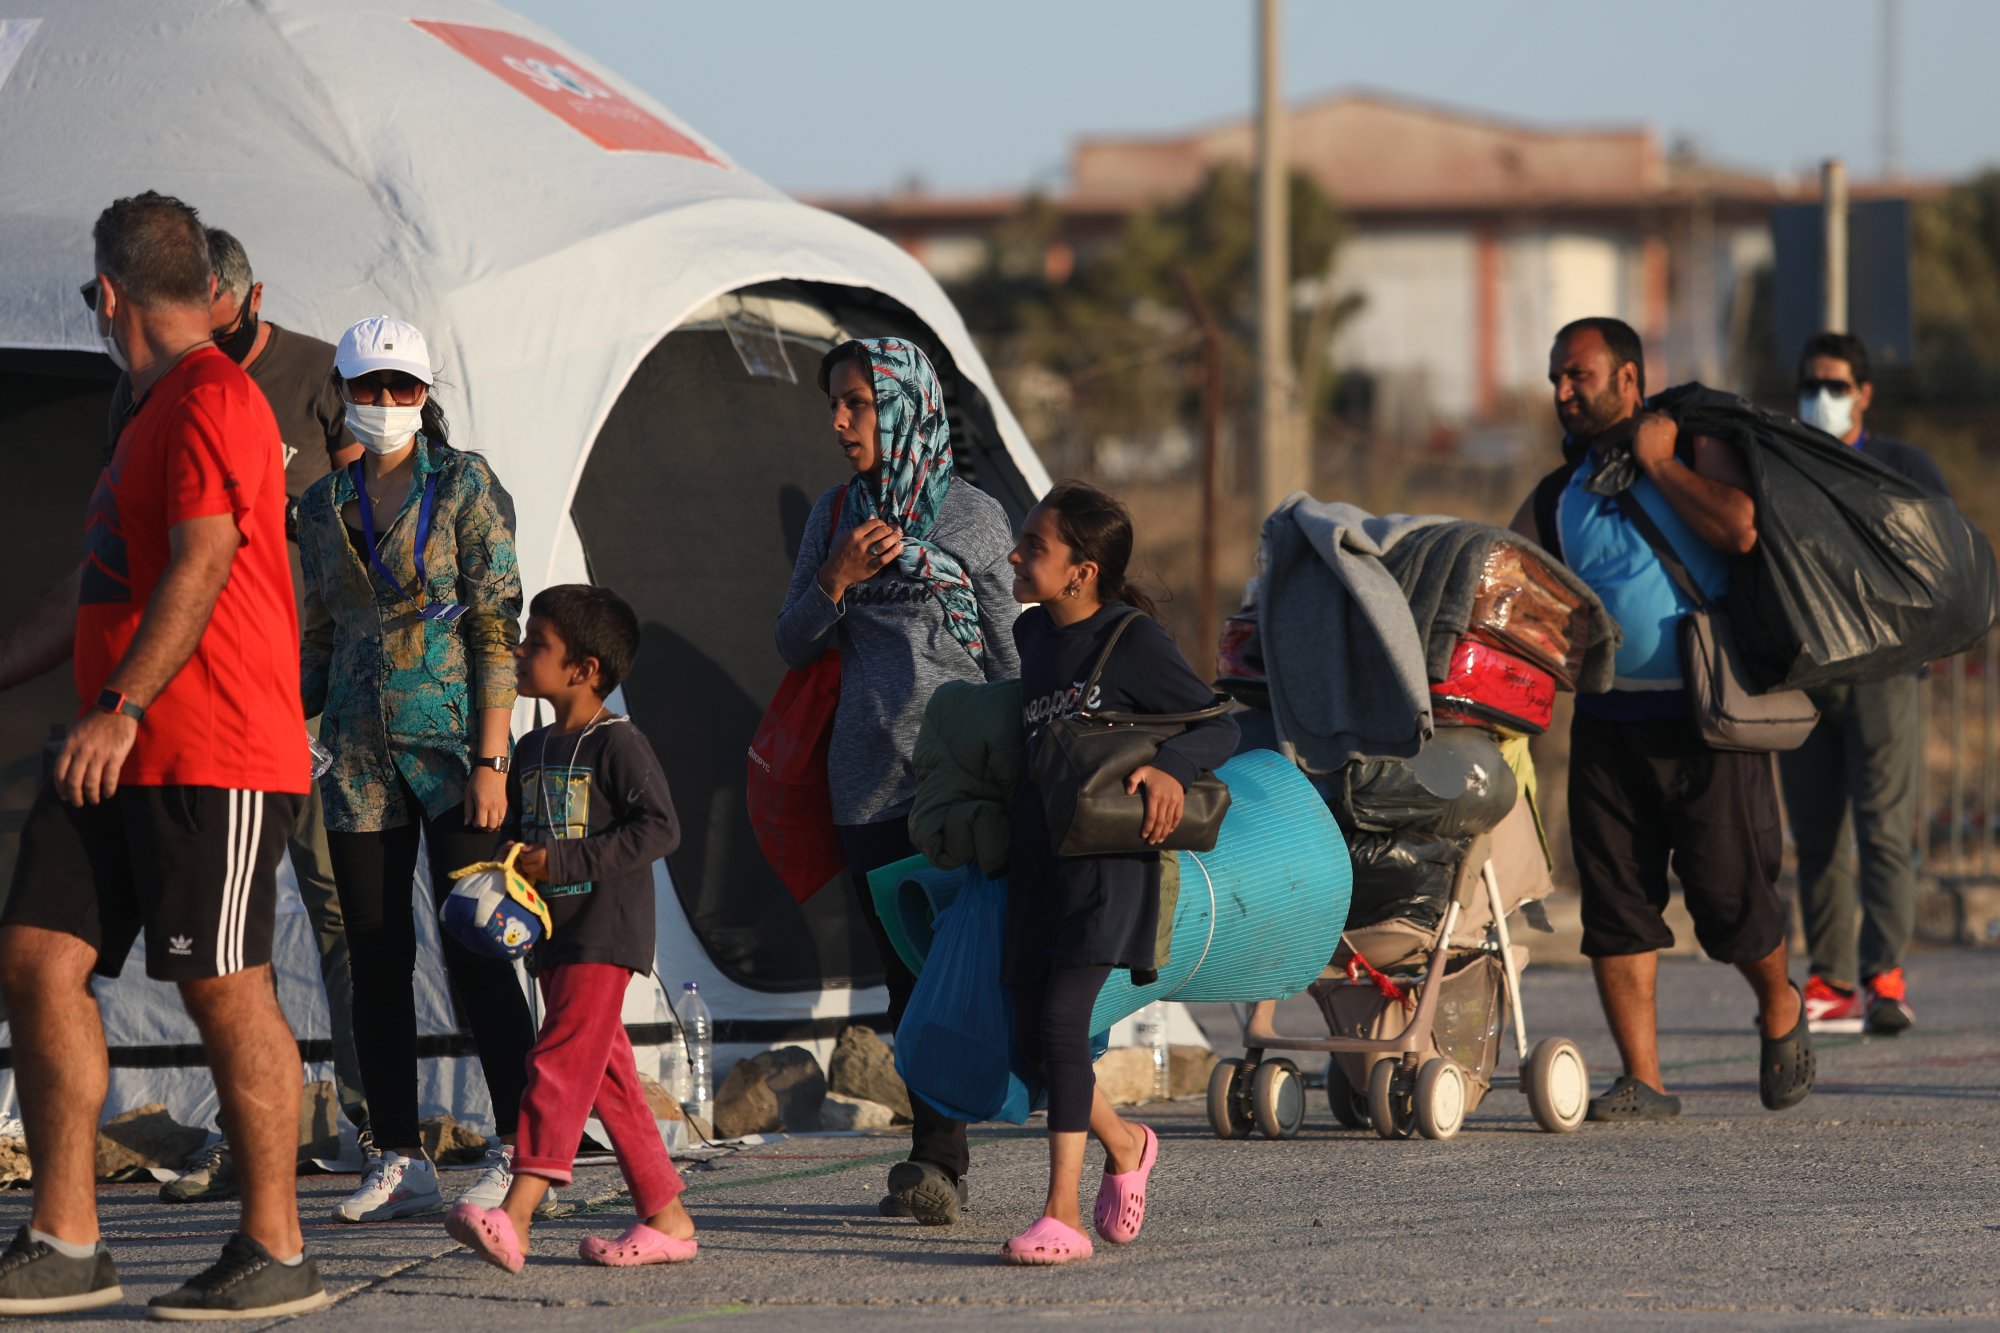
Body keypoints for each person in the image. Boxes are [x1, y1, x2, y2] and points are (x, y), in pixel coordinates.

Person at [0, 191, 327, 1318]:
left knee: (220, 985)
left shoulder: (211, 400)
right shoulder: (140, 414)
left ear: (107, 295)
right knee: (39, 958)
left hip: (208, 748)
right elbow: (81, 589)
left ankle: (276, 1249)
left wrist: (122, 702)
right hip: (117, 744)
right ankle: (67, 1237)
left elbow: (203, 561)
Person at [111, 227, 370, 1206]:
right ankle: (249, 1139)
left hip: (317, 698)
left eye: (219, 328)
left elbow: (368, 520)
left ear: (247, 297)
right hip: (207, 708)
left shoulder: (311, 376)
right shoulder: (151, 386)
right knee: (231, 942)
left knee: (340, 911)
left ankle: (370, 1126)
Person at [1509, 316, 1813, 1123]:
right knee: (1616, 901)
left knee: (1728, 897)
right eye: (1556, 378)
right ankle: (1645, 1078)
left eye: (1578, 375)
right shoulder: (1560, 491)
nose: (1563, 391)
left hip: (1707, 719)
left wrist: (1657, 466)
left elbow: (1740, 528)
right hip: (1609, 721)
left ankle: (1780, 1002)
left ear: (1630, 381)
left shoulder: (1695, 450)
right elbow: (1506, 571)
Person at [775, 337, 1021, 1225]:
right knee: (906, 978)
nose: (841, 422)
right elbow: (792, 640)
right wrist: (837, 577)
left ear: (906, 405)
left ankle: (943, 1153)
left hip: (957, 780)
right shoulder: (834, 513)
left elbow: (1006, 653)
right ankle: (936, 1155)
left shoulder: (976, 518)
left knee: (964, 963)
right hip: (865, 784)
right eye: (835, 405)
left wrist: (1028, 762)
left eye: (858, 403)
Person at [298, 315, 537, 1222]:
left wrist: (492, 753)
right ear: (345, 393)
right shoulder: (320, 508)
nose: (387, 404)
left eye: (403, 388)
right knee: (374, 951)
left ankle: (521, 1147)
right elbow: (321, 632)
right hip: (358, 752)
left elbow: (494, 622)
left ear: (426, 393)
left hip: (452, 744)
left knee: (478, 941)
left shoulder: (466, 484)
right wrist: (284, 716)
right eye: (370, 388)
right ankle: (397, 1150)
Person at [999, 481, 1237, 1265]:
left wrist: (1171, 768)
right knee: (1028, 1042)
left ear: (1082, 571)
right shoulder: (1032, 636)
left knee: (1064, 1022)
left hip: (1109, 866)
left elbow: (1218, 722)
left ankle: (1060, 1212)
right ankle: (1128, 1143)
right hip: (1037, 861)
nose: (1015, 554)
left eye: (1035, 545)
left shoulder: (1131, 638)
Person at [447, 584, 697, 1271]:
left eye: (539, 643)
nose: (521, 651)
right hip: (554, 938)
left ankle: (516, 1214)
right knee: (609, 1078)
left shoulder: (619, 742)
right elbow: (530, 843)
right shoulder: (529, 749)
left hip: (604, 933)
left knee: (555, 1063)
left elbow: (660, 827)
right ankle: (667, 1217)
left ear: (585, 668)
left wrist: (563, 859)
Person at [1780, 332, 1949, 1036]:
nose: (1824, 396)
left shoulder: (1902, 465)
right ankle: (1831, 979)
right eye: (1814, 383)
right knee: (1817, 835)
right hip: (1808, 675)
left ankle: (1885, 977)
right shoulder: (1784, 462)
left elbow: (1941, 561)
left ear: (1864, 392)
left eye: (1837, 384)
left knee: (1883, 831)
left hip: (1882, 673)